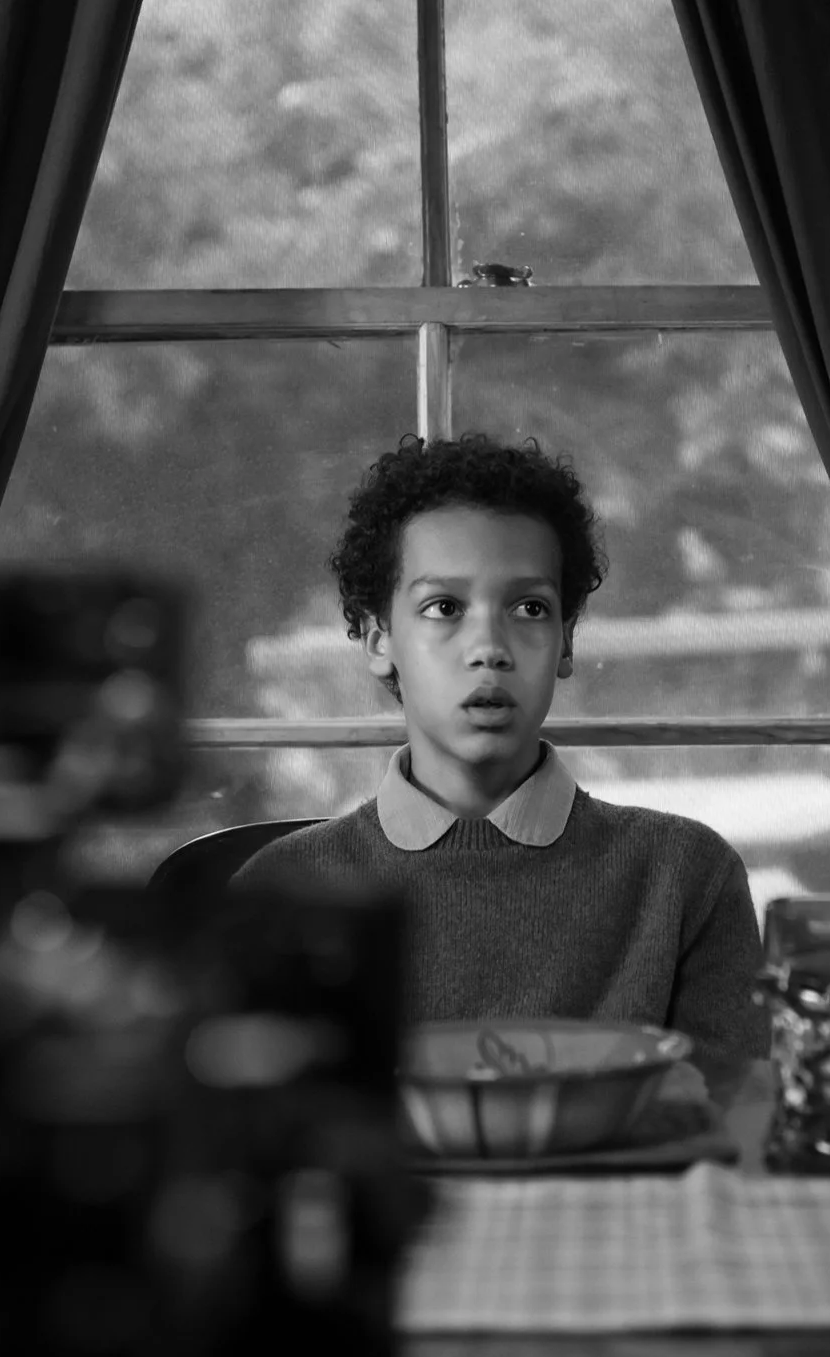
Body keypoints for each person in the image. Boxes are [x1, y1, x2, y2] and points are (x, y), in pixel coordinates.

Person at [232, 433, 767, 1096]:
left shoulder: (686, 877)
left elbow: (728, 1127)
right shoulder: (281, 893)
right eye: (444, 608)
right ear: (378, 639)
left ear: (565, 641)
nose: (489, 647)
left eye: (529, 608)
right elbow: (254, 1137)